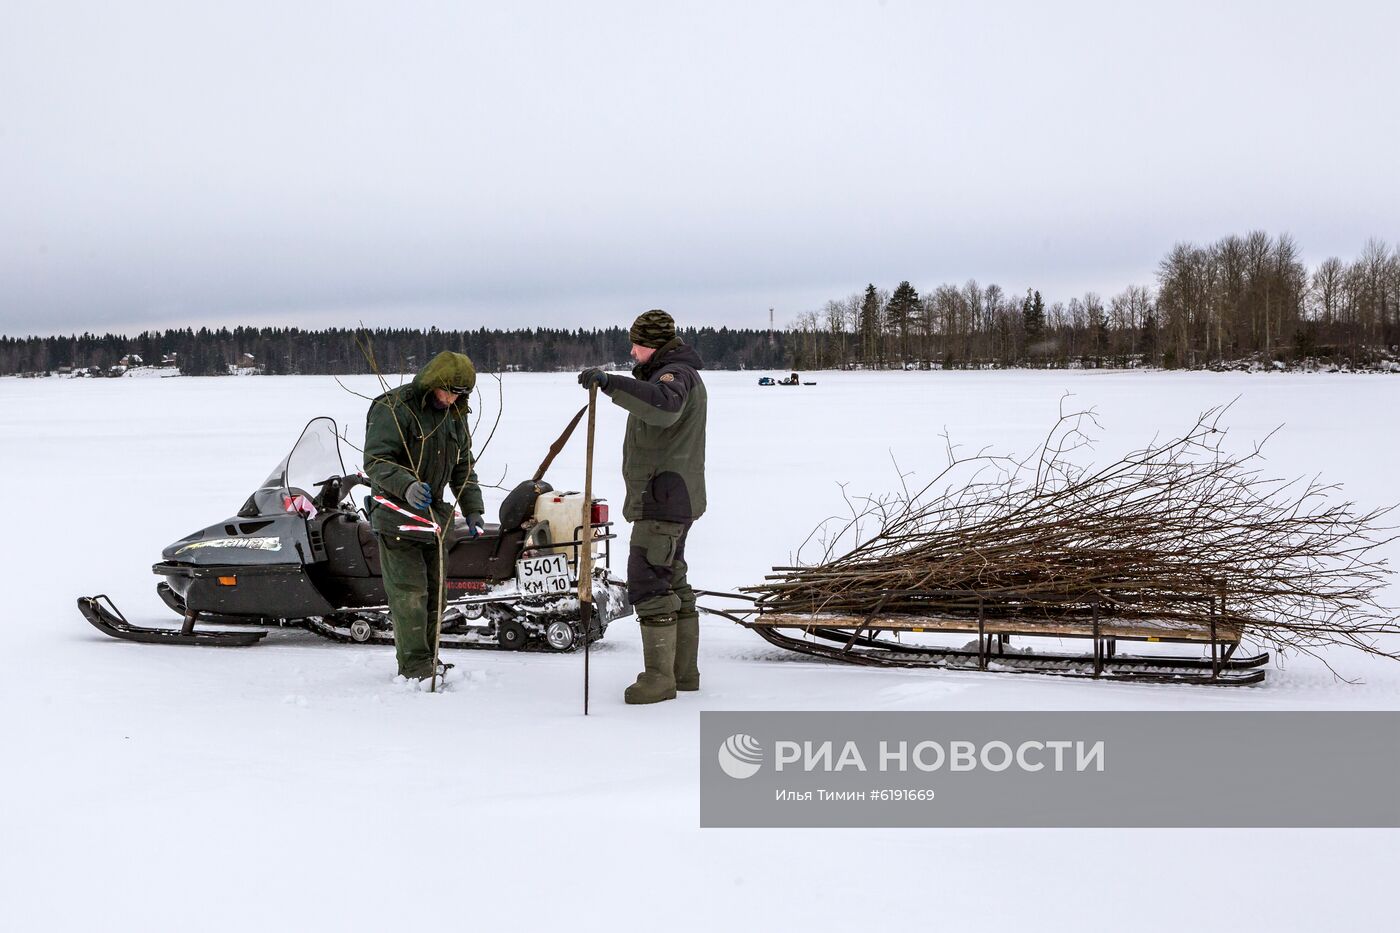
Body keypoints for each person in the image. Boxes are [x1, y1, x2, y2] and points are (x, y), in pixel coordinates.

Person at [578, 310, 707, 704]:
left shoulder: (675, 377)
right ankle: (684, 674)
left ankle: (658, 680)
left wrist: (610, 383)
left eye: (637, 344)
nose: (632, 351)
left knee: (649, 581)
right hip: (673, 496)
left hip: (663, 499)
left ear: (654, 345)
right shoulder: (672, 373)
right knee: (673, 581)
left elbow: (664, 408)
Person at [364, 351, 485, 681]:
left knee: (436, 593)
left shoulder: (455, 415)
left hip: (435, 518)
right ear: (432, 384)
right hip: (396, 515)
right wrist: (406, 487)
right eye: (448, 391)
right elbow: (376, 460)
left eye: (460, 394)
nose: (452, 399)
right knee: (409, 594)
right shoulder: (394, 408)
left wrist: (473, 507)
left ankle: (429, 658)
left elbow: (464, 465)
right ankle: (415, 665)